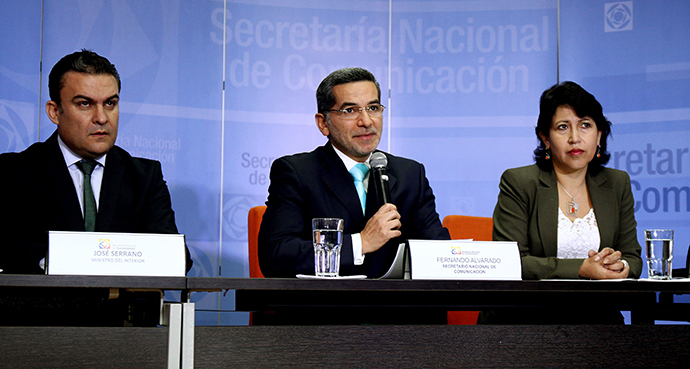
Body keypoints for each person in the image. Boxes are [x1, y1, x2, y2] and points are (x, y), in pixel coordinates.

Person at [0, 50, 191, 325]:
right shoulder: (15, 172)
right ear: (55, 111)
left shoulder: (144, 176)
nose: (102, 118)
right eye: (85, 104)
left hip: (123, 329)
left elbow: (176, 259)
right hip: (38, 325)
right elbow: (7, 247)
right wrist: (78, 258)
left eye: (110, 103)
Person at [258, 67, 450, 280]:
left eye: (373, 108)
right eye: (350, 110)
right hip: (329, 308)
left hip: (396, 308)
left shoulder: (409, 174)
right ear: (323, 123)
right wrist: (361, 243)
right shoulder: (297, 173)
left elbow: (437, 254)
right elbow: (275, 256)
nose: (367, 121)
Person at [487, 81, 642, 324]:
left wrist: (619, 266)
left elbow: (633, 257)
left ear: (599, 135)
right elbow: (511, 261)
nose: (575, 138)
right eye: (562, 127)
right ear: (545, 138)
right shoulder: (520, 182)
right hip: (525, 319)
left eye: (585, 126)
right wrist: (582, 269)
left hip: (598, 319)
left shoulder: (616, 183)